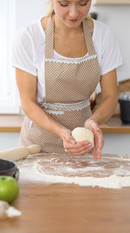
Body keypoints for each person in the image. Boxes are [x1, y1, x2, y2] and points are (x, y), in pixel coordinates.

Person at [11, 0, 122, 160]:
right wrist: (62, 132)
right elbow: (28, 102)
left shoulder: (103, 35)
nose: (74, 13)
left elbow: (110, 97)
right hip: (37, 147)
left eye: (83, 3)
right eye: (64, 4)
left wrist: (93, 121)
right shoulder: (29, 37)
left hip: (82, 145)